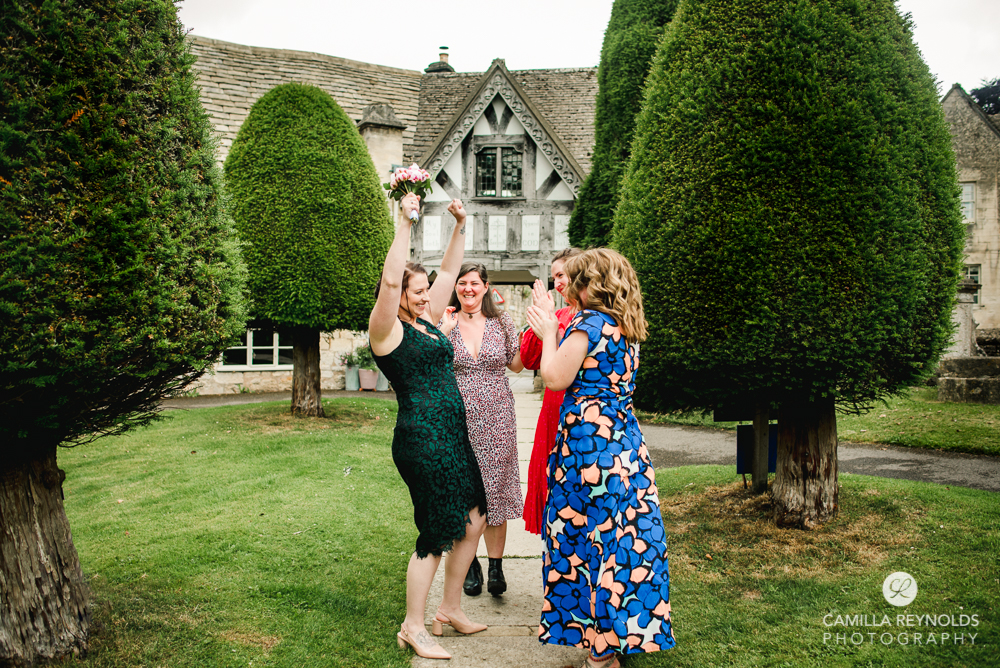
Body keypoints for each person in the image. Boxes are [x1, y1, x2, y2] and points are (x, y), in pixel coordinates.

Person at [525, 248, 676, 668]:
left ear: (593, 284)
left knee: (586, 543)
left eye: (577, 280)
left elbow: (554, 377)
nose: (571, 287)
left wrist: (549, 331)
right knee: (621, 542)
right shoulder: (626, 325)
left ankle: (600, 651)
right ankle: (611, 639)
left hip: (589, 449)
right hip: (625, 444)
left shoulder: (588, 324)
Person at [369, 193, 488, 660]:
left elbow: (450, 272)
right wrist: (405, 221)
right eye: (415, 290)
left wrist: (460, 224)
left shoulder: (427, 320)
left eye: (425, 290)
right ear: (398, 293)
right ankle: (413, 626)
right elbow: (389, 279)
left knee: (474, 519)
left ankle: (450, 609)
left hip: (454, 438)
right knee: (436, 533)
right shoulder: (386, 330)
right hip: (423, 440)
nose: (426, 295)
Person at [437, 263, 524, 598]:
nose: (468, 289)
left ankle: (496, 567)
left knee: (495, 492)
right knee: (464, 493)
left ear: (486, 286)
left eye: (474, 283)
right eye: (462, 283)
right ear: (456, 288)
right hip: (457, 420)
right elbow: (432, 363)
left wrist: (532, 337)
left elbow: (517, 364)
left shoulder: (502, 322)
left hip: (498, 418)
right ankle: (469, 564)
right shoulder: (445, 321)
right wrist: (443, 332)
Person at [519, 247, 581, 536]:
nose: (557, 283)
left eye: (562, 275)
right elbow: (529, 359)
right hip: (552, 408)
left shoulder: (590, 317)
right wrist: (544, 321)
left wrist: (552, 331)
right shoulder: (557, 314)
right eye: (554, 277)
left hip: (576, 406)